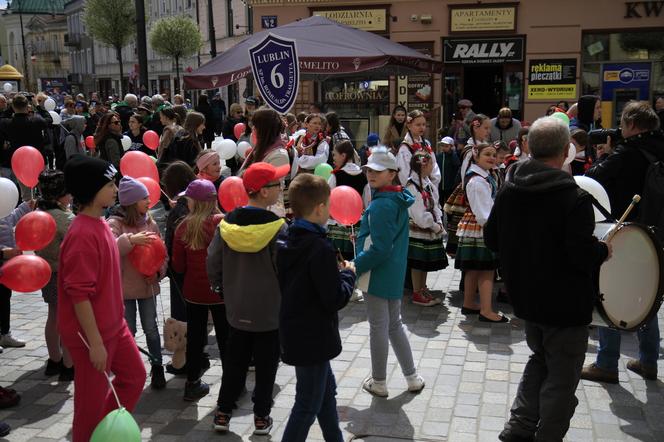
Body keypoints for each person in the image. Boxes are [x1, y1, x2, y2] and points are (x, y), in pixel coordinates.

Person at [484, 116, 611, 441]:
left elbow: (491, 238)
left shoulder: (510, 189)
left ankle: (519, 428)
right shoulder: (573, 198)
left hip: (526, 299)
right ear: (566, 151)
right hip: (565, 305)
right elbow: (581, 254)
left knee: (541, 359)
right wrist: (602, 251)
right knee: (562, 379)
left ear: (529, 146)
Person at [59, 155, 145, 442]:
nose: (115, 188)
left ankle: (103, 435)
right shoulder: (82, 233)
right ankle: (92, 435)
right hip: (91, 335)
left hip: (113, 325)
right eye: (109, 184)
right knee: (89, 406)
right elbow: (78, 294)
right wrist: (95, 344)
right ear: (90, 190)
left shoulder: (101, 224)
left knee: (134, 376)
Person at [582, 100, 664, 383]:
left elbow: (591, 181)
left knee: (612, 292)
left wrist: (604, 156)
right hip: (657, 232)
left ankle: (606, 363)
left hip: (625, 231)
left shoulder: (626, 154)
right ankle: (649, 361)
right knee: (648, 292)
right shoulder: (661, 148)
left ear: (630, 124)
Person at [206, 162, 289, 435]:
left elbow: (212, 260)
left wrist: (220, 287)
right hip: (269, 311)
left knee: (234, 362)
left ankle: (223, 412)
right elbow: (284, 268)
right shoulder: (278, 228)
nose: (280, 188)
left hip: (236, 308)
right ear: (264, 192)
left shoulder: (227, 223)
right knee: (266, 368)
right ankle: (261, 417)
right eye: (276, 184)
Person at [277, 173, 356, 442]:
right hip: (313, 336)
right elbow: (334, 298)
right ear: (321, 208)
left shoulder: (288, 239)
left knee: (325, 394)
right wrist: (348, 275)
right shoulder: (319, 248)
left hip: (298, 330)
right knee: (307, 404)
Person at [353, 146, 425, 398]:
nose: (371, 174)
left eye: (378, 171)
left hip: (377, 272)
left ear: (392, 173)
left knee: (380, 326)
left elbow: (380, 248)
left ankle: (380, 381)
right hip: (392, 271)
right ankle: (412, 377)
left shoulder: (382, 204)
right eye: (369, 169)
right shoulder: (396, 197)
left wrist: (355, 265)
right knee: (394, 324)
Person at [107, 176, 167, 390]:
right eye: (144, 197)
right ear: (132, 202)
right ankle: (129, 370)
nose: (149, 200)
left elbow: (162, 253)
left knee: (151, 329)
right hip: (124, 289)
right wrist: (131, 240)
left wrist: (158, 272)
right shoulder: (115, 223)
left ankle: (157, 366)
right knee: (128, 331)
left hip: (147, 287)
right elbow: (109, 248)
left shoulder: (150, 222)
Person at [171, 179, 226, 399]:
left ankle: (192, 383)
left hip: (194, 292)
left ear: (195, 202)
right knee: (226, 338)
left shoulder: (183, 226)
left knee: (195, 337)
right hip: (221, 291)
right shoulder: (222, 223)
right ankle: (233, 383)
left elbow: (178, 265)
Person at [456, 142, 506, 323]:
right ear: (476, 156)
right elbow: (483, 211)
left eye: (494, 154)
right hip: (482, 226)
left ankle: (469, 303)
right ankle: (486, 310)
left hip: (477, 224)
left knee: (474, 268)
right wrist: (494, 227)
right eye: (487, 154)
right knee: (486, 269)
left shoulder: (483, 176)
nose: (492, 158)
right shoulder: (477, 180)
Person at [36, 170, 75, 381]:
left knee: (53, 316)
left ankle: (54, 359)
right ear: (62, 194)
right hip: (64, 274)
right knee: (67, 320)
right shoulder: (65, 219)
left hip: (45, 272)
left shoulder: (37, 213)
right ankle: (69, 366)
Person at [161, 161, 196, 353]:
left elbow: (171, 243)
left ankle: (183, 356)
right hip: (196, 268)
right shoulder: (196, 203)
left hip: (179, 270)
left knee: (181, 314)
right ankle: (197, 351)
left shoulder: (177, 211)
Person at [406, 150, 447, 307]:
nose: (433, 166)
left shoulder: (427, 183)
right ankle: (417, 292)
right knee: (418, 263)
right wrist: (434, 225)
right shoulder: (412, 186)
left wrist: (438, 221)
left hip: (429, 228)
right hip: (419, 229)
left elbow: (435, 204)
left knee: (424, 263)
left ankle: (422, 288)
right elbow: (418, 214)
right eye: (431, 164)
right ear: (422, 166)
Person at [238, 108, 290, 217]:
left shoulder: (278, 155)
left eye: (255, 126)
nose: (252, 129)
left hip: (268, 213)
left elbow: (271, 189)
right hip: (253, 209)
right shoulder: (259, 149)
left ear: (263, 129)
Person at [327, 140, 370, 260]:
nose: (333, 158)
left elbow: (327, 198)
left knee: (338, 262)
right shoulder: (362, 176)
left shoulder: (336, 176)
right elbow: (367, 202)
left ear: (343, 155)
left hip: (338, 226)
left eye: (335, 154)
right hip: (357, 226)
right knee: (354, 260)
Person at [0, 94, 47, 200]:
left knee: (26, 196)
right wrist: (38, 106)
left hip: (20, 162)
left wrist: (11, 107)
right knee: (45, 194)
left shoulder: (6, 123)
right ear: (27, 105)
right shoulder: (37, 121)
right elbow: (49, 119)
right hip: (38, 160)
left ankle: (28, 215)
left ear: (13, 106)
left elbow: (2, 117)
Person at [0, 198, 33, 350]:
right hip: (3, 257)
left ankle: (5, 334)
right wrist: (2, 253)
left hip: (5, 263)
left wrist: (25, 207)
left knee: (5, 297)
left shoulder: (3, 208)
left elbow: (11, 218)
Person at [397, 109, 441, 187]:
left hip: (429, 187)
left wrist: (433, 184)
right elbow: (404, 174)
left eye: (424, 124)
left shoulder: (426, 144)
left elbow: (433, 165)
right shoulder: (405, 147)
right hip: (414, 190)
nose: (422, 127)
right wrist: (419, 185)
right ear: (409, 126)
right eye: (418, 125)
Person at [436, 136, 461, 205]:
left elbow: (457, 167)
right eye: (442, 146)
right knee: (440, 204)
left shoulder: (454, 157)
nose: (444, 148)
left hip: (450, 186)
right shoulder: (438, 156)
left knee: (449, 205)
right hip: (440, 186)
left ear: (451, 146)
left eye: (446, 146)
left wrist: (453, 153)